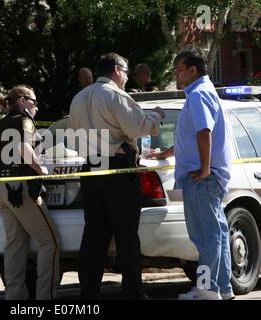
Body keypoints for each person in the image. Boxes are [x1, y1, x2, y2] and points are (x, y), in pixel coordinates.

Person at [68, 52, 165, 299]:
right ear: (115, 69)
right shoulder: (115, 95)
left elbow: (73, 138)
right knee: (126, 235)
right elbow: (138, 126)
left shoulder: (78, 98)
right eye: (125, 70)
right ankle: (133, 292)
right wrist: (156, 116)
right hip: (118, 170)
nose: (126, 76)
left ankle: (88, 293)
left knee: (93, 236)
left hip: (90, 169)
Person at [149, 47, 234, 300]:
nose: (177, 75)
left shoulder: (198, 94)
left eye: (179, 70)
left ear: (193, 70)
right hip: (208, 176)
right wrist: (166, 154)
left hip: (203, 177)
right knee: (216, 233)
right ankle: (222, 288)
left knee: (205, 237)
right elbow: (193, 135)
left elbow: (204, 132)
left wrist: (205, 168)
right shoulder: (203, 92)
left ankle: (207, 290)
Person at [0, 85, 59, 300]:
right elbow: (24, 149)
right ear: (21, 101)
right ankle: (44, 298)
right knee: (50, 242)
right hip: (20, 187)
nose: (36, 106)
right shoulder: (24, 120)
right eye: (34, 101)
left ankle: (14, 298)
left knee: (15, 245)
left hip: (2, 188)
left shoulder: (1, 123)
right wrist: (41, 170)